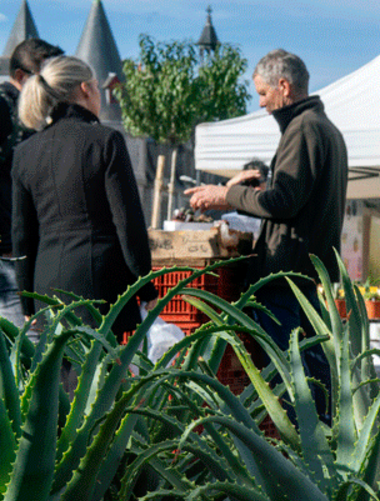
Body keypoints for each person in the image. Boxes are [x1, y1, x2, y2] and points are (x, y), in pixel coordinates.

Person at [187, 49, 348, 420]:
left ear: (284, 87)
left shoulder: (304, 128)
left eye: (262, 93)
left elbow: (284, 201)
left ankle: (306, 448)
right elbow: (297, 198)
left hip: (285, 271)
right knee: (313, 366)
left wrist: (225, 195)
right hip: (305, 270)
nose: (260, 103)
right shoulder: (324, 129)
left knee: (291, 374)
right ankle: (322, 440)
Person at [11, 56, 157, 338]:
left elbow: (22, 234)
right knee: (97, 378)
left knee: (58, 378)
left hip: (45, 285)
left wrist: (26, 296)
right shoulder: (105, 141)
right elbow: (128, 224)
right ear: (86, 89)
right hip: (99, 285)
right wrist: (145, 284)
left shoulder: (25, 152)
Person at [0, 38, 63, 331]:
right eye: (45, 77)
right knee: (29, 351)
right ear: (22, 78)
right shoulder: (4, 110)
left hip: (25, 255)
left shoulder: (33, 120)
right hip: (10, 257)